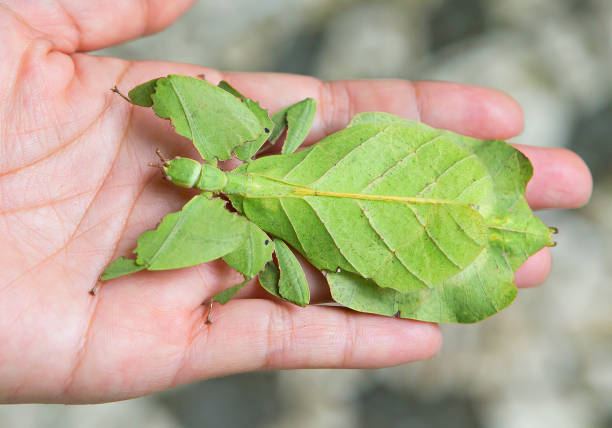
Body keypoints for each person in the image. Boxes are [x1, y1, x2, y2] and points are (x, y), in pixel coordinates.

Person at [0, 1, 592, 404]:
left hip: (456, 201)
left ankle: (506, 232)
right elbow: (294, 120)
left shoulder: (243, 229)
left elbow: (290, 281)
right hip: (436, 195)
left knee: (299, 283)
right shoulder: (251, 168)